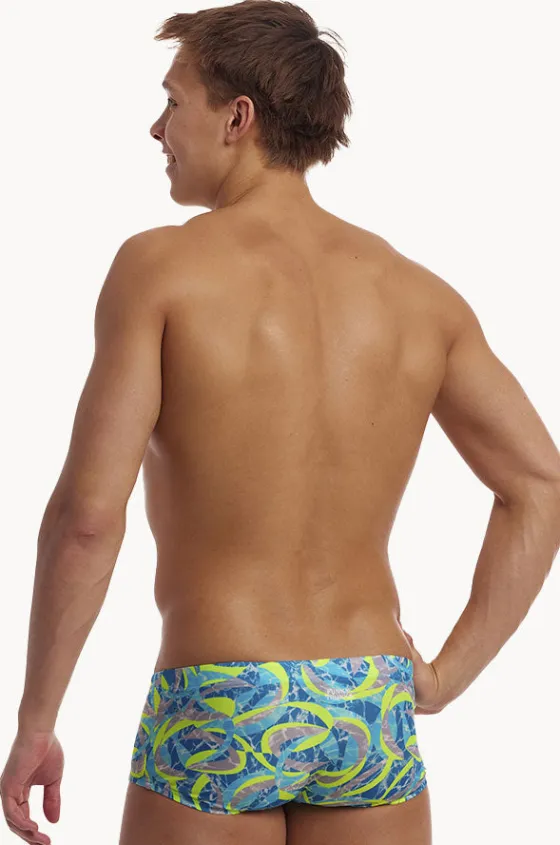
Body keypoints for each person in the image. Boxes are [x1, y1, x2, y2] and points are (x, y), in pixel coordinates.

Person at [2, 2, 559, 844]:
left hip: (222, 694)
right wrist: (444, 677)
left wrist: (36, 719)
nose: (157, 128)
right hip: (368, 701)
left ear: (238, 119)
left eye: (173, 101)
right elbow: (540, 482)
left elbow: (86, 518)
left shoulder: (161, 269)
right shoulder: (420, 297)